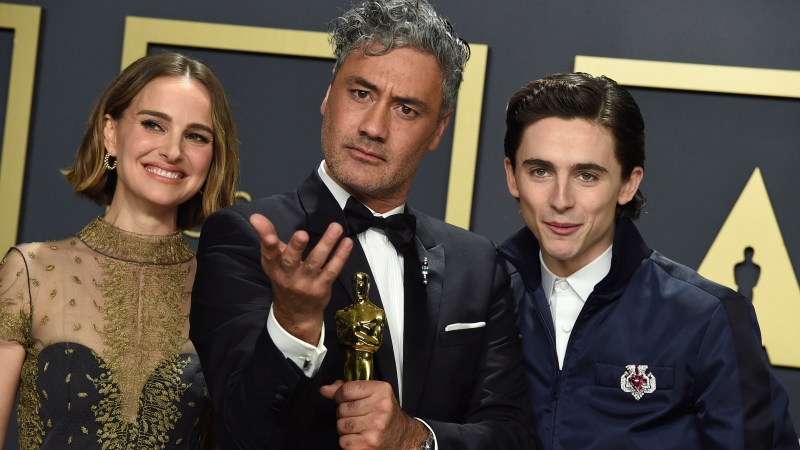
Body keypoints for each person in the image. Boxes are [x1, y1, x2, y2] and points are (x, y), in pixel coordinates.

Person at [189, 0, 537, 448]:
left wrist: (416, 438)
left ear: (438, 130)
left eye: (406, 109)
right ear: (329, 95)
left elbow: (512, 435)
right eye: (361, 93)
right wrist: (293, 325)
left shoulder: (477, 264)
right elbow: (244, 428)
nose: (374, 127)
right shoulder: (244, 237)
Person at [497, 72, 799, 449]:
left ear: (628, 183)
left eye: (587, 176)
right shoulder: (476, 296)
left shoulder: (708, 318)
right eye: (540, 171)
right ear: (512, 176)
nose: (561, 200)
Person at [0, 52, 239, 449]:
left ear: (212, 157)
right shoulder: (30, 272)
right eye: (153, 124)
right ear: (111, 132)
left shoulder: (226, 294)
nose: (173, 150)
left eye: (196, 136)